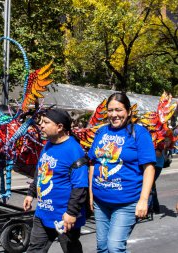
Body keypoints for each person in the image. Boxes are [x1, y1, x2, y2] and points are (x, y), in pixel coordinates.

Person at [88, 92, 155, 253]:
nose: (114, 115)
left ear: (129, 111)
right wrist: (91, 194)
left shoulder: (138, 133)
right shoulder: (102, 132)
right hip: (101, 201)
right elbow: (93, 163)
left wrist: (143, 200)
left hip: (127, 202)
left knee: (115, 247)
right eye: (110, 110)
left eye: (118, 110)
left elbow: (149, 168)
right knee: (102, 248)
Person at [23, 108, 88, 253]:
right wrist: (30, 193)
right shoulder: (48, 145)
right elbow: (40, 172)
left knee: (71, 249)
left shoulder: (74, 150)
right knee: (34, 249)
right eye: (41, 122)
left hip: (64, 216)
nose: (41, 125)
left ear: (59, 127)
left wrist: (71, 213)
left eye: (46, 122)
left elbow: (80, 186)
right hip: (43, 213)